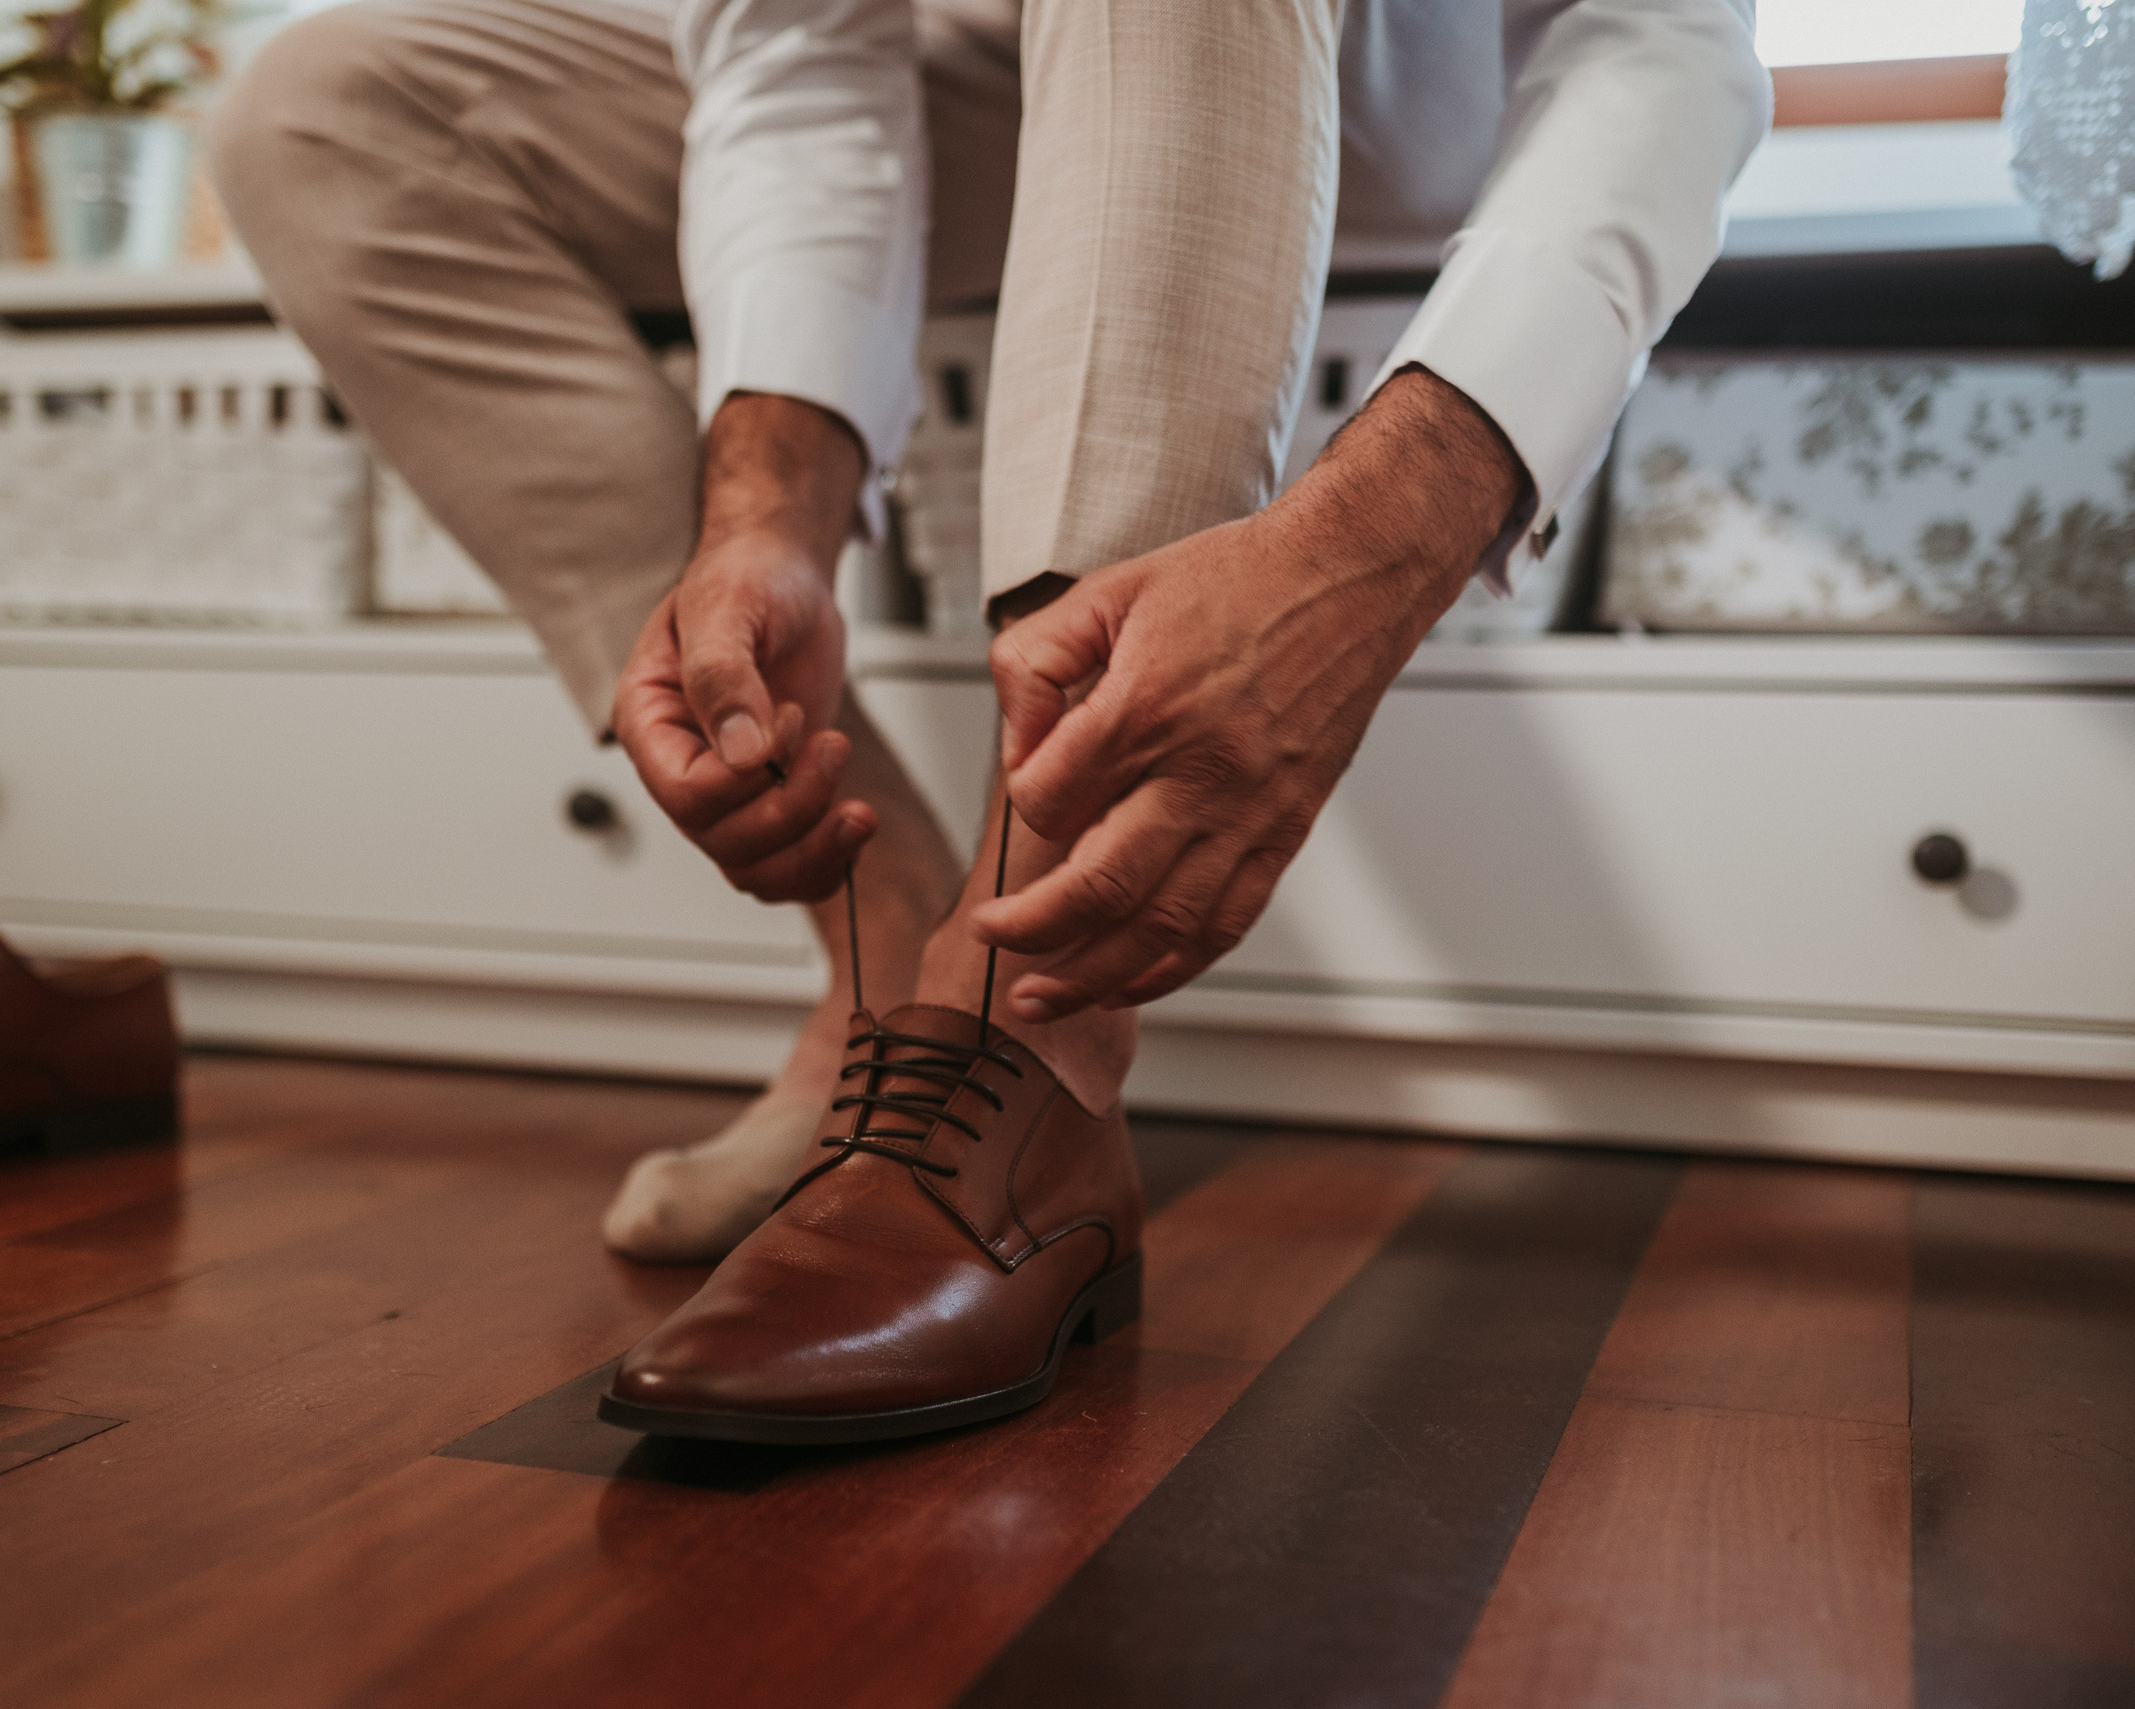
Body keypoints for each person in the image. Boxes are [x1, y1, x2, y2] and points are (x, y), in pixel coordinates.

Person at [211, 0, 1769, 1442]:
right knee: (324, 111)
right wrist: (765, 516)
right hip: (999, 67)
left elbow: (1663, 41)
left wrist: (1372, 556)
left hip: (1379, 78)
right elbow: (802, 49)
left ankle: (1027, 1043)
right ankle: (891, 978)